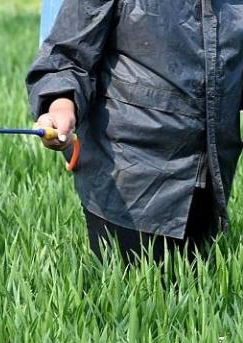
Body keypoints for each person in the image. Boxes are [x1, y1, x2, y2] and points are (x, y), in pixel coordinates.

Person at [26, 0, 243, 264]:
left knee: (200, 293)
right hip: (128, 179)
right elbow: (67, 57)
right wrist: (60, 104)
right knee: (132, 296)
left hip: (211, 177)